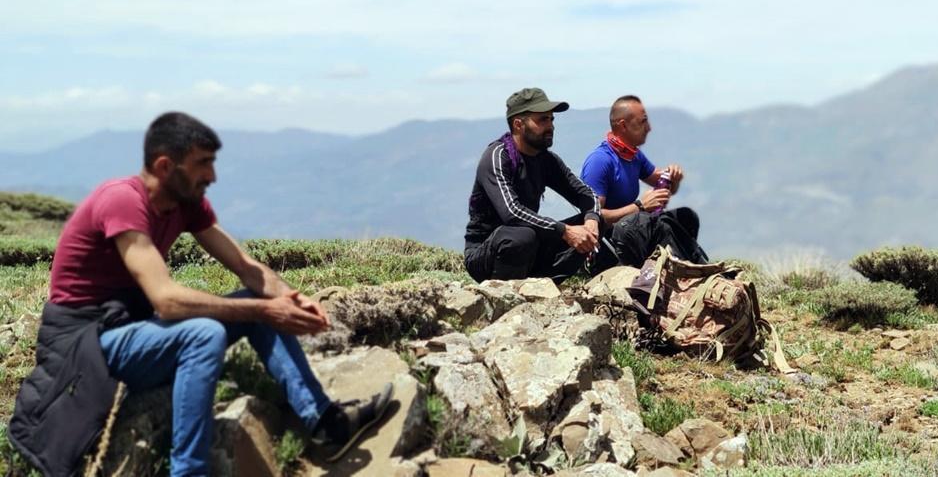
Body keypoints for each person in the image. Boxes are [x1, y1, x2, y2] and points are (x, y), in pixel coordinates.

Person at [7, 112, 392, 477]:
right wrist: (266, 308)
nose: (212, 175)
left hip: (132, 328)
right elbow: (166, 299)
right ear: (164, 167)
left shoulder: (186, 204)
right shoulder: (122, 201)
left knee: (252, 308)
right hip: (84, 344)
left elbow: (246, 266)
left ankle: (326, 423)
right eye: (202, 163)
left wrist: (292, 300)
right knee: (205, 333)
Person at [464, 87, 603, 283]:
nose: (551, 126)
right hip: (487, 253)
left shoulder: (545, 160)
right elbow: (511, 213)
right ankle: (503, 296)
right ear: (519, 124)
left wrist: (591, 220)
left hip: (530, 246)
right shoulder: (497, 156)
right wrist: (565, 231)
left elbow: (586, 194)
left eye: (551, 119)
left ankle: (543, 286)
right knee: (521, 236)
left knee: (596, 222)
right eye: (542, 120)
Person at [580, 95, 707, 267]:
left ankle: (691, 263)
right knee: (649, 223)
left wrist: (673, 178)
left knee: (686, 217)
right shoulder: (600, 161)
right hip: (609, 244)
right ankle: (686, 266)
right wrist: (639, 207)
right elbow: (593, 217)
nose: (649, 128)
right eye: (643, 122)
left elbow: (661, 184)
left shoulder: (633, 155)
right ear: (623, 125)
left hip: (634, 229)